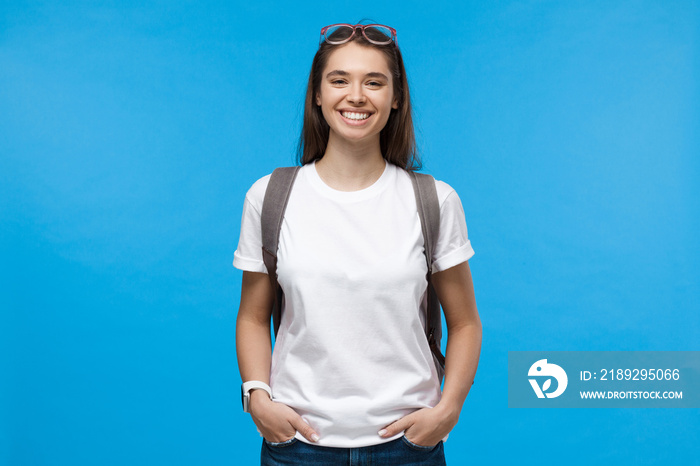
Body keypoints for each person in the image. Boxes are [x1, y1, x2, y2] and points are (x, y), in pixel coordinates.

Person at [233, 23, 481, 465]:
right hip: (296, 449)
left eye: (374, 82)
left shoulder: (434, 201)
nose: (357, 96)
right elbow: (253, 316)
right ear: (317, 93)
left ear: (396, 97)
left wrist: (447, 412)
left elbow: (464, 323)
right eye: (339, 79)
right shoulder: (269, 197)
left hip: (407, 450)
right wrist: (257, 398)